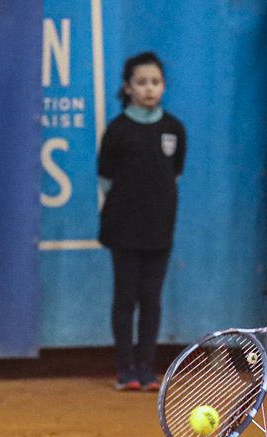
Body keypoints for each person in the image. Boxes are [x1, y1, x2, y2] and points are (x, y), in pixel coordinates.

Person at [97, 52, 187, 391]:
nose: (149, 89)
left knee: (151, 298)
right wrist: (125, 209)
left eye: (155, 82)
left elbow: (174, 173)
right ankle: (125, 369)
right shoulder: (118, 130)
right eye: (142, 82)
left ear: (163, 86)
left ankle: (147, 369)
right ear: (128, 87)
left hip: (159, 229)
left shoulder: (174, 128)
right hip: (123, 229)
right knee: (125, 297)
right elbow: (105, 177)